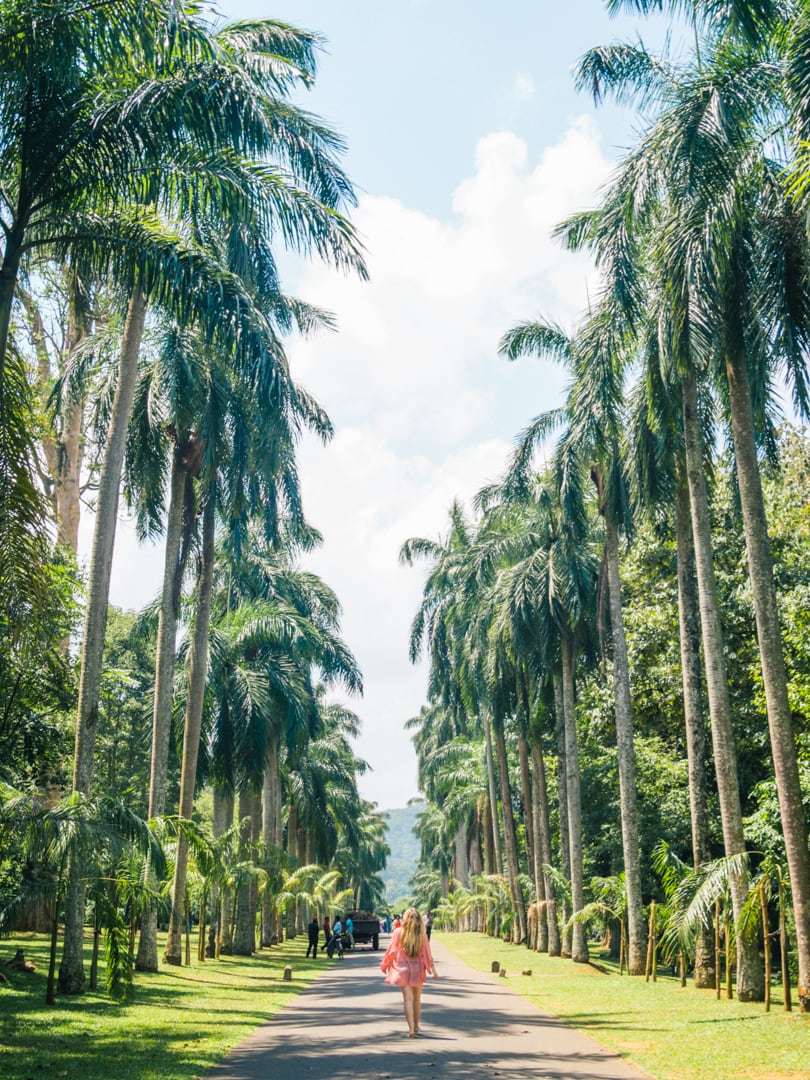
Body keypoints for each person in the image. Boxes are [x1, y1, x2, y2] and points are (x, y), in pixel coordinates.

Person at [380, 907, 438, 1037]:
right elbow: (427, 954)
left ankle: (411, 1028)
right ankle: (417, 1026)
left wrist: (385, 965)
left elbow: (392, 951)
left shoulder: (398, 932)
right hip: (418, 969)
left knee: (408, 999)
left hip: (402, 970)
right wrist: (433, 970)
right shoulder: (422, 934)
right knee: (417, 999)